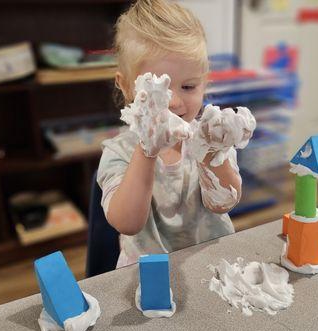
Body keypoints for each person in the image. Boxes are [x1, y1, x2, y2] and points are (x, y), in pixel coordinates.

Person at [97, 0, 256, 268]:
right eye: (158, 88)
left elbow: (223, 203)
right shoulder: (119, 151)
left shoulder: (209, 136)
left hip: (211, 263)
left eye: (188, 86)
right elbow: (128, 223)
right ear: (125, 87)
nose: (172, 102)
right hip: (148, 272)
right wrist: (147, 150)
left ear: (205, 84)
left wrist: (211, 153)